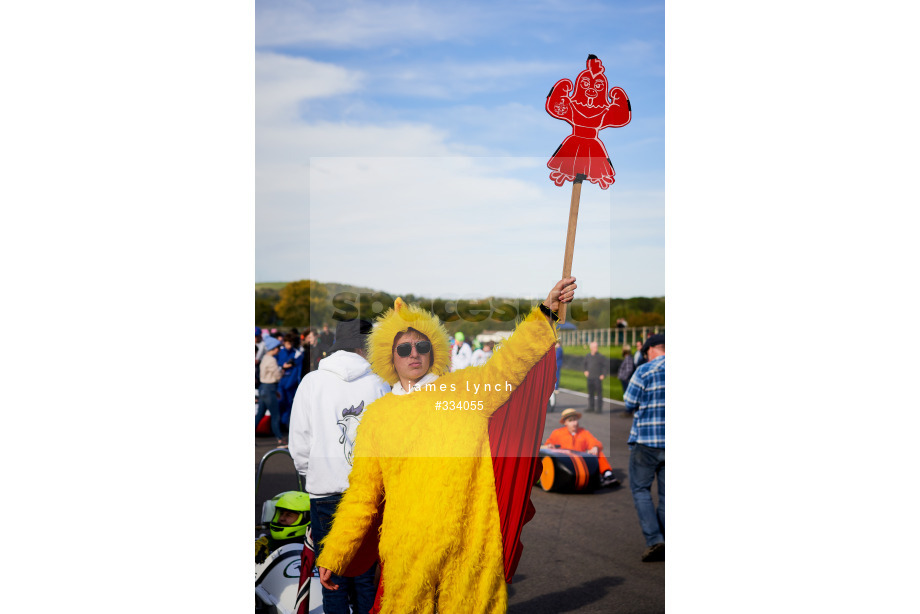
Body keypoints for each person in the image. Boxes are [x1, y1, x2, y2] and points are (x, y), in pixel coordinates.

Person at [315, 277, 576, 614]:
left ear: (434, 351)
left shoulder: (467, 392)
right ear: (388, 356)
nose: (414, 354)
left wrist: (545, 313)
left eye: (422, 347)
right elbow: (361, 495)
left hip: (471, 543)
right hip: (407, 548)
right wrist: (336, 552)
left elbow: (509, 364)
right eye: (403, 348)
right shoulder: (378, 416)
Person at [289, 318, 390, 614]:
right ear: (365, 345)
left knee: (331, 577)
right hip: (367, 492)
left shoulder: (312, 382)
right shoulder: (378, 383)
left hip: (325, 493)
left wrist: (314, 473)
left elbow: (300, 441)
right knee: (365, 577)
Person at [623, 333, 665, 563]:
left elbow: (629, 402)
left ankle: (655, 539)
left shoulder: (645, 370)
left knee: (641, 490)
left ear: (651, 350)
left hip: (647, 440)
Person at [542, 408, 619, 487]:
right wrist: (549, 446)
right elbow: (547, 445)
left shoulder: (583, 432)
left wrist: (595, 447)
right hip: (565, 462)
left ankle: (608, 474)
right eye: (570, 421)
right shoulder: (557, 433)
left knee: (598, 451)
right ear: (565, 423)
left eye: (575, 420)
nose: (574, 423)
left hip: (580, 461)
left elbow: (594, 442)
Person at [255, 490, 312, 563]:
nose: (281, 518)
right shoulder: (265, 544)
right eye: (281, 514)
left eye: (288, 515)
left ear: (306, 519)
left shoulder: (317, 545)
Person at [255, 336, 285, 445]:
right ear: (274, 348)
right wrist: (282, 371)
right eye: (278, 347)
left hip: (263, 387)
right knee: (275, 415)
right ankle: (280, 439)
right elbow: (277, 376)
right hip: (270, 388)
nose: (279, 350)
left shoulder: (264, 358)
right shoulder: (272, 360)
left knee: (260, 414)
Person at [277, 333, 304, 430]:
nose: (289, 346)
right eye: (287, 344)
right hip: (280, 382)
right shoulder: (280, 352)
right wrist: (282, 367)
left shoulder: (297, 354)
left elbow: (297, 370)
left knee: (289, 404)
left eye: (290, 344)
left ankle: (284, 424)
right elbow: (276, 364)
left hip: (290, 383)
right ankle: (278, 423)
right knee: (280, 403)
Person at [583, 341, 606, 413]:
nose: (596, 348)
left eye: (596, 347)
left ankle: (599, 408)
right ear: (591, 348)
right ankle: (591, 407)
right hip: (590, 377)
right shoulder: (588, 356)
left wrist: (603, 374)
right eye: (594, 347)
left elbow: (605, 366)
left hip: (597, 378)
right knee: (590, 393)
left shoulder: (600, 356)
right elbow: (584, 364)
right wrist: (585, 371)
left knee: (599, 394)